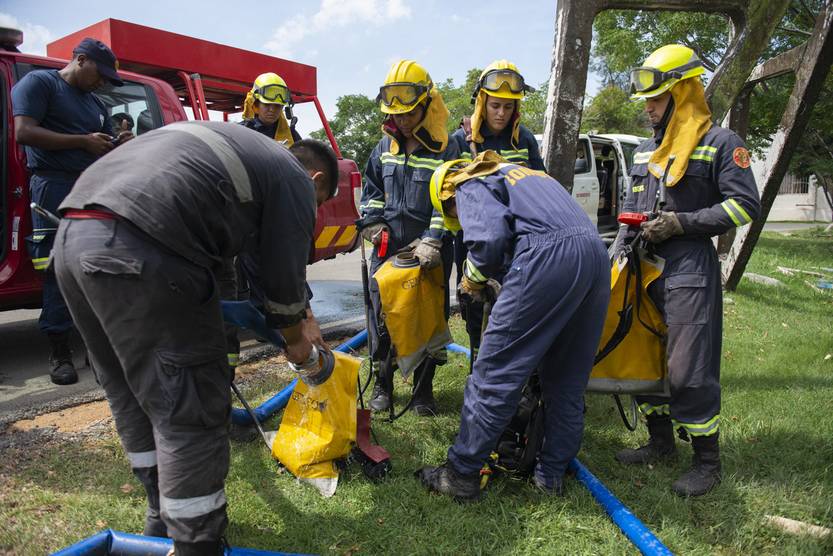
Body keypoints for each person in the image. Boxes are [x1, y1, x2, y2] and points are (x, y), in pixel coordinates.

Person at [53, 122, 338, 555]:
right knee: (189, 409)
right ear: (315, 180)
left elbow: (242, 264)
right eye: (318, 204)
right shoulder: (293, 178)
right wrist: (299, 343)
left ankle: (159, 520)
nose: (312, 209)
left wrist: (283, 314)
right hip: (144, 247)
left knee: (131, 393)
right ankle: (195, 543)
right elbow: (283, 266)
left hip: (73, 241)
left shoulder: (232, 152)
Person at [612, 45, 761, 497]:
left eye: (656, 101)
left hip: (688, 267)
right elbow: (630, 207)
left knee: (687, 367)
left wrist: (683, 223)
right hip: (642, 266)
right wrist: (618, 251)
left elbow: (744, 206)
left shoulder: (720, 143)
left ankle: (706, 461)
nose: (649, 110)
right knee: (642, 353)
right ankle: (660, 443)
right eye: (647, 102)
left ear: (684, 93)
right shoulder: (644, 150)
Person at [417, 151, 610, 500]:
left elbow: (489, 243)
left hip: (548, 256)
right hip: (595, 257)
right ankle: (549, 476)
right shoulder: (527, 175)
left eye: (454, 217)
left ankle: (461, 474)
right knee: (566, 379)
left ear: (447, 195)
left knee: (494, 373)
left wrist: (472, 280)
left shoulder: (467, 182)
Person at [12, 37, 133, 385]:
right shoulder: (40, 83)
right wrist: (82, 141)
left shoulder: (95, 103)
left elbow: (102, 145)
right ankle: (59, 351)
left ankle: (96, 351)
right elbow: (23, 131)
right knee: (56, 271)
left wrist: (118, 144)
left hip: (90, 187)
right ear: (80, 60)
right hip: (52, 188)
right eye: (101, 73)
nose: (103, 82)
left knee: (95, 269)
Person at [357, 59, 460, 416]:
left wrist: (433, 239)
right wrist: (373, 224)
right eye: (395, 114)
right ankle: (383, 386)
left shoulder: (446, 149)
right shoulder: (383, 147)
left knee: (428, 320)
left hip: (428, 252)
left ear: (426, 105)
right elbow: (371, 191)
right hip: (387, 249)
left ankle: (423, 392)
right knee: (382, 319)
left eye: (408, 113)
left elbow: (448, 199)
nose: (401, 120)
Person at [450, 60, 545, 365]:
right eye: (495, 106)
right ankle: (480, 369)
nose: (501, 113)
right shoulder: (461, 142)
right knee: (474, 310)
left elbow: (540, 187)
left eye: (508, 106)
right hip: (473, 243)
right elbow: (447, 196)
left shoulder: (525, 140)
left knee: (515, 311)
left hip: (518, 244)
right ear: (482, 103)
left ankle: (512, 376)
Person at [240, 72, 301, 144]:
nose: (272, 110)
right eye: (267, 104)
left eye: (277, 105)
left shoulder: (292, 136)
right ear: (256, 104)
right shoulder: (241, 132)